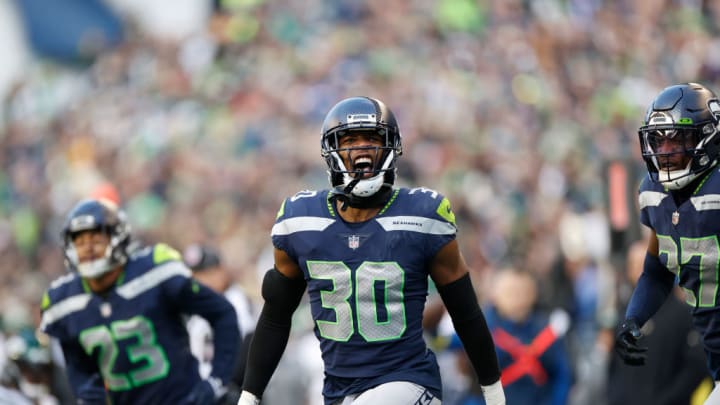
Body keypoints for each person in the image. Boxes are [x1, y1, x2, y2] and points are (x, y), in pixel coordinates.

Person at [237, 97, 504, 405]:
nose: (362, 148)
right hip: (338, 391)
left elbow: (465, 311)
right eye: (350, 140)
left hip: (409, 382)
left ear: (391, 147)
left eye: (372, 139)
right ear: (332, 150)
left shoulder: (422, 214)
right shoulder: (300, 220)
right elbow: (275, 316)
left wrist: (493, 391)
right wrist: (249, 395)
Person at [39, 198, 241, 404]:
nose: (88, 249)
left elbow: (223, 313)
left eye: (96, 240)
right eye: (80, 242)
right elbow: (78, 367)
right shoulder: (64, 302)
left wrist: (216, 380)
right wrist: (90, 396)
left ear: (118, 238)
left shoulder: (154, 271)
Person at [615, 82, 720, 403]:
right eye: (658, 142)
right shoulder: (653, 193)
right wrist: (634, 318)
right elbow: (657, 271)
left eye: (678, 140)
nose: (666, 152)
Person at [608, 238, 707, 405]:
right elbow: (614, 367)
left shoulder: (682, 314)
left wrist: (667, 400)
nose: (640, 273)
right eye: (635, 266)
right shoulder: (624, 314)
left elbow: (695, 368)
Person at [184, 243, 258, 399]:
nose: (199, 280)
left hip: (229, 388)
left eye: (205, 273)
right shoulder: (192, 307)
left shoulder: (236, 300)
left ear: (220, 271)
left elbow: (246, 353)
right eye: (195, 275)